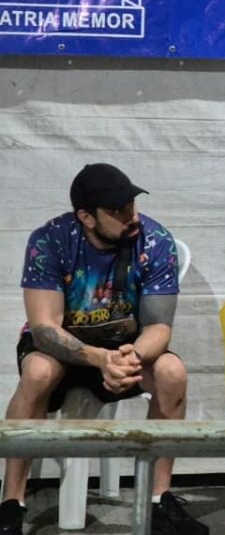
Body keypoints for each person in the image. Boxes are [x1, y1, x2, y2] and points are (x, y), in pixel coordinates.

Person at [1, 164, 207, 535]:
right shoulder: (50, 240)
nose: (132, 216)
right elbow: (45, 328)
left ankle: (160, 499)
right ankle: (11, 501)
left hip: (125, 348)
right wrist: (99, 359)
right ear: (87, 217)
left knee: (172, 372)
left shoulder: (155, 240)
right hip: (63, 348)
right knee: (37, 372)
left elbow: (159, 326)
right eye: (118, 210)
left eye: (132, 205)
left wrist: (130, 358)